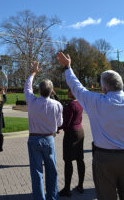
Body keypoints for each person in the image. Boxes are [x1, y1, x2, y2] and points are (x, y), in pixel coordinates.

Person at [57, 52, 124, 200]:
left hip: (104, 159)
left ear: (104, 88)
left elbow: (77, 87)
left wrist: (68, 67)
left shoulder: (96, 102)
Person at [24, 61, 63, 200]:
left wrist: (33, 73)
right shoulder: (57, 105)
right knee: (52, 171)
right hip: (49, 139)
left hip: (34, 139)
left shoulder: (32, 102)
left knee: (36, 172)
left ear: (39, 91)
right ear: (52, 91)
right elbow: (59, 124)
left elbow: (27, 88)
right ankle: (53, 197)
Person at [58, 88, 85, 197]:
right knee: (80, 159)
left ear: (71, 93)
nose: (68, 92)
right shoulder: (80, 103)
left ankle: (67, 189)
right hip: (80, 132)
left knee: (68, 160)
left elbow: (66, 123)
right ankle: (80, 185)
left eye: (69, 91)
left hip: (71, 134)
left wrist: (56, 128)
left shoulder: (70, 106)